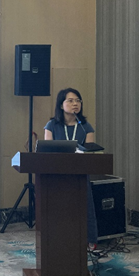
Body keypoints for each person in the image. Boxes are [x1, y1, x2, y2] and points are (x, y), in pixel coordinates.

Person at [44, 87, 98, 248]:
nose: (75, 104)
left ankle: (90, 240)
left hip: (80, 173)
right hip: (57, 174)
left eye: (78, 101)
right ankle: (56, 241)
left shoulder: (85, 126)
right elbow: (47, 151)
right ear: (61, 105)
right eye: (70, 100)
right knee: (58, 208)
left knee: (85, 206)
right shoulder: (51, 125)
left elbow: (90, 151)